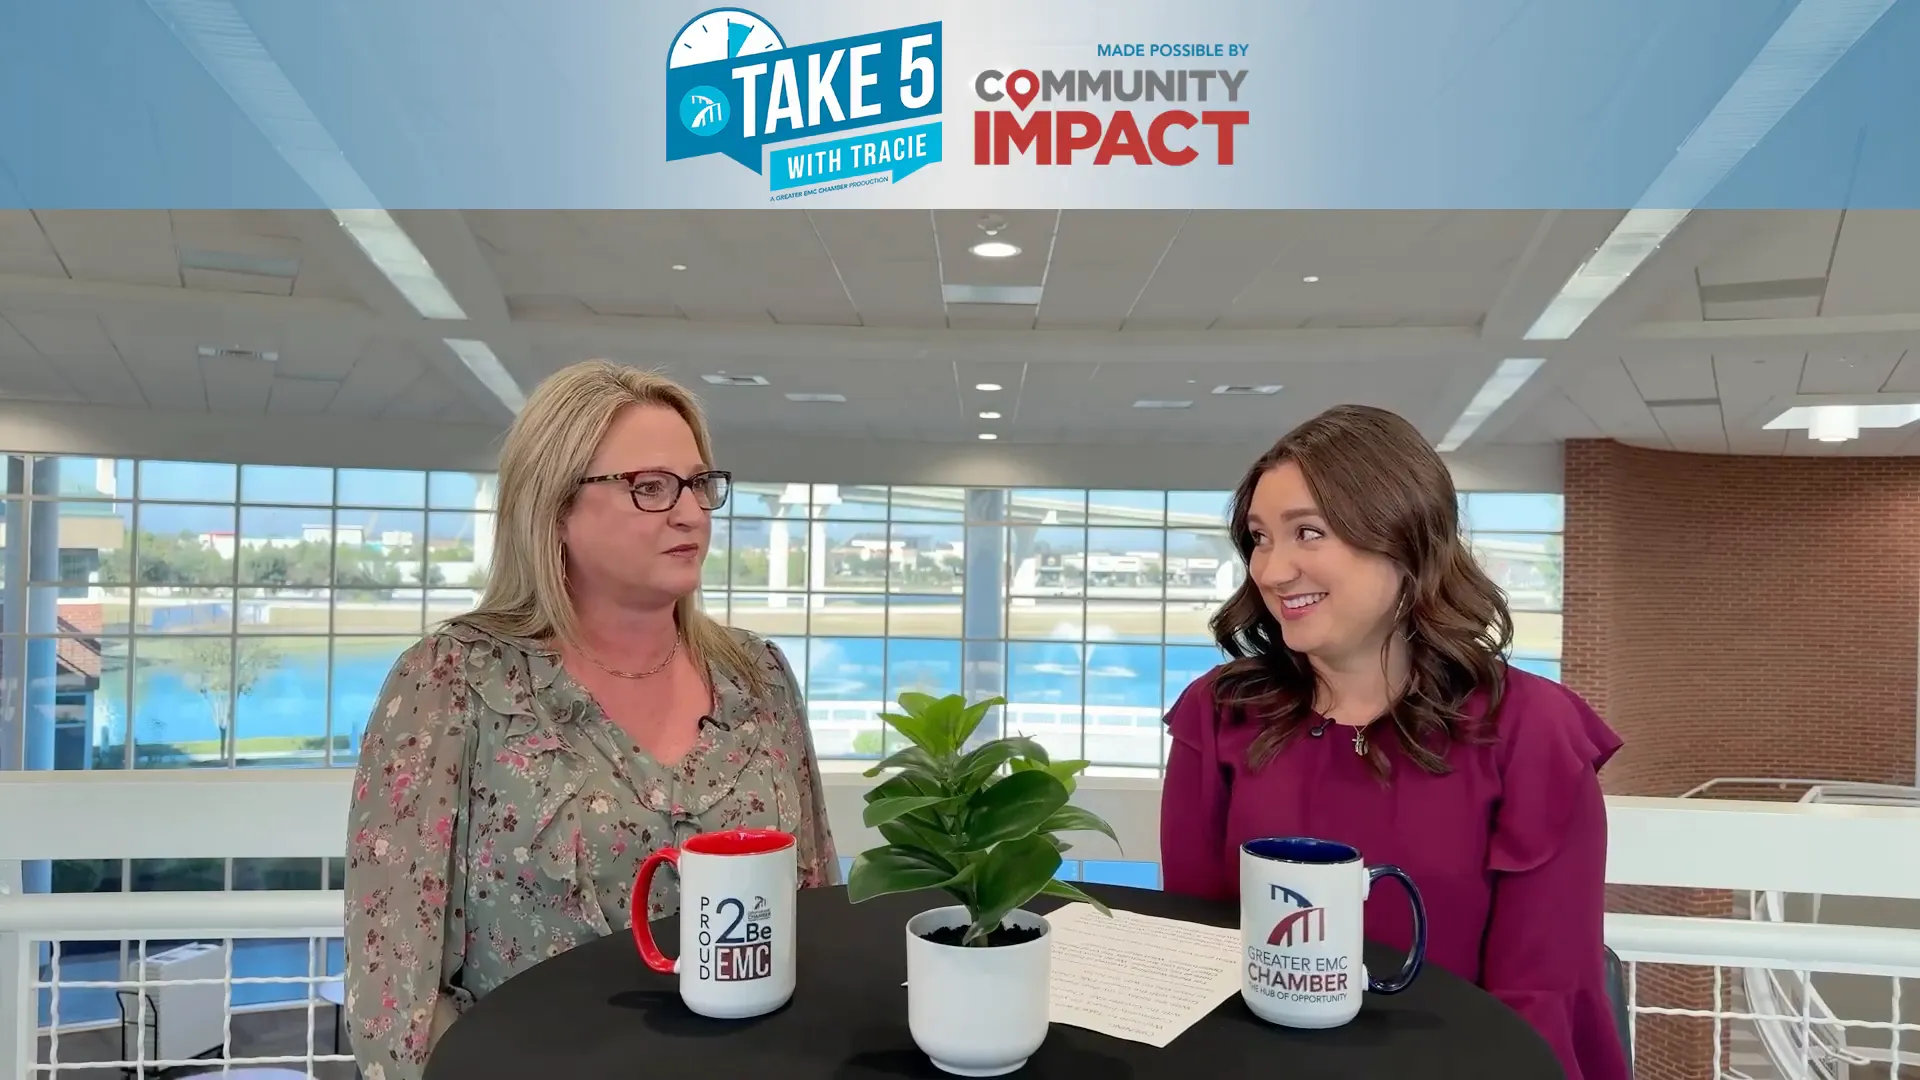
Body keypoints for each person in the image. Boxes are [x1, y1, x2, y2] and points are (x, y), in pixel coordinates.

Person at [343, 360, 838, 1080]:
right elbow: (394, 996)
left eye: (699, 484)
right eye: (650, 487)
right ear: (555, 507)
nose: (690, 513)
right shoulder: (451, 681)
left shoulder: (758, 677)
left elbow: (814, 910)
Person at [1160, 404, 1626, 1080]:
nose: (1272, 569)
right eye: (1260, 537)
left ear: (1403, 540)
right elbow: (1197, 957)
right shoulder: (1219, 714)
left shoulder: (1533, 731)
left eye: (1308, 533)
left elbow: (1541, 999)